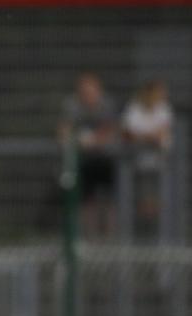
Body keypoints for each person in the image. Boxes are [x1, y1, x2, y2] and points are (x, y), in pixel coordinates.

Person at [58, 73, 119, 238]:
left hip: (107, 159)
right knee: (86, 200)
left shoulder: (107, 104)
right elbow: (64, 130)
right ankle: (88, 238)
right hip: (82, 161)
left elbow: (112, 129)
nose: (88, 95)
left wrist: (94, 140)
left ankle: (111, 239)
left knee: (109, 199)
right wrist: (76, 141)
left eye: (91, 91)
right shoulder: (72, 105)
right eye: (84, 91)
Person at [122, 80, 174, 232]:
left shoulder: (164, 109)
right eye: (158, 93)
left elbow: (163, 134)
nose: (161, 96)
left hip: (160, 164)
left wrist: (143, 136)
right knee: (139, 202)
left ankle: (158, 232)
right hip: (136, 165)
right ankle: (138, 232)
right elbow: (129, 134)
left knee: (158, 202)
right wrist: (150, 137)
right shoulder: (134, 109)